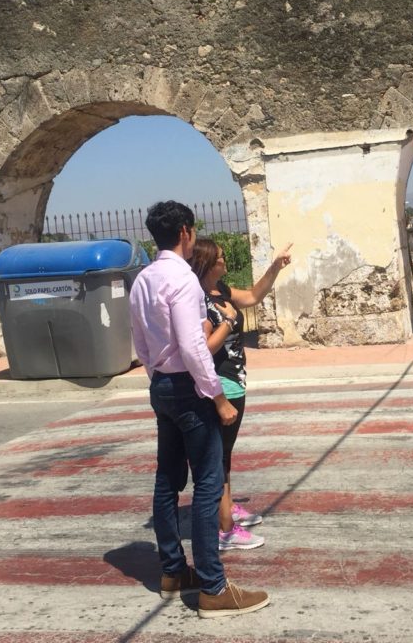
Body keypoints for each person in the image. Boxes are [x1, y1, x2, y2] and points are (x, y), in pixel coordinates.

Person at [129, 201, 269, 619]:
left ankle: (173, 572)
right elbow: (193, 346)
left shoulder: (143, 279)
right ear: (185, 232)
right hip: (190, 388)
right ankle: (213, 587)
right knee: (208, 484)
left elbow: (139, 340)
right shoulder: (184, 281)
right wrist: (218, 397)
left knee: (167, 481)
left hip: (162, 385)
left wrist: (158, 377)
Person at [188, 237, 292, 551]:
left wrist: (275, 267)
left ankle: (227, 507)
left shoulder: (222, 290)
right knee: (217, 457)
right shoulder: (200, 299)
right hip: (220, 384)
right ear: (208, 262)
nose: (225, 259)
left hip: (236, 381)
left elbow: (254, 295)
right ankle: (225, 530)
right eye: (220, 256)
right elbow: (204, 348)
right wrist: (230, 321)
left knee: (225, 454)